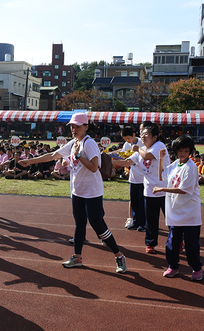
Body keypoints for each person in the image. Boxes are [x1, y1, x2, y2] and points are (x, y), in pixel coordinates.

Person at [19, 112, 127, 273]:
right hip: (78, 192)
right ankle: (77, 257)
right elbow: (53, 155)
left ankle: (119, 256)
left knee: (98, 226)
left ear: (86, 127)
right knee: (80, 224)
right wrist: (30, 161)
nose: (74, 129)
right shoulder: (74, 142)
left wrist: (77, 155)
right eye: (72, 126)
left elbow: (93, 167)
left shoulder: (88, 144)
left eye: (77, 126)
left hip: (92, 192)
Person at [113, 122, 170, 254]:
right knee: (151, 220)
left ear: (154, 137)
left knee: (171, 218)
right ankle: (150, 243)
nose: (143, 137)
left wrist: (138, 148)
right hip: (149, 191)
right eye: (142, 134)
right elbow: (127, 162)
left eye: (147, 135)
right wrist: (108, 160)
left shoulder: (159, 146)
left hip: (165, 189)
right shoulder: (141, 149)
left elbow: (147, 156)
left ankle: (178, 240)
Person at [153, 136, 203, 281]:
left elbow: (184, 189)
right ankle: (173, 266)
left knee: (191, 244)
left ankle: (196, 268)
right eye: (180, 150)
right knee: (172, 242)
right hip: (175, 211)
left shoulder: (191, 167)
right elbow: (162, 175)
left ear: (190, 151)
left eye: (186, 151)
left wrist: (163, 189)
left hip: (189, 212)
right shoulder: (176, 164)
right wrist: (161, 159)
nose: (182, 154)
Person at [120, 127, 145, 231]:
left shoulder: (142, 144)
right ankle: (135, 221)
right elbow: (124, 156)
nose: (127, 141)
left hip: (142, 177)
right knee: (134, 201)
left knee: (141, 201)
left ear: (134, 135)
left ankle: (143, 223)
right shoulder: (126, 145)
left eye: (128, 138)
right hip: (133, 176)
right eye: (125, 139)